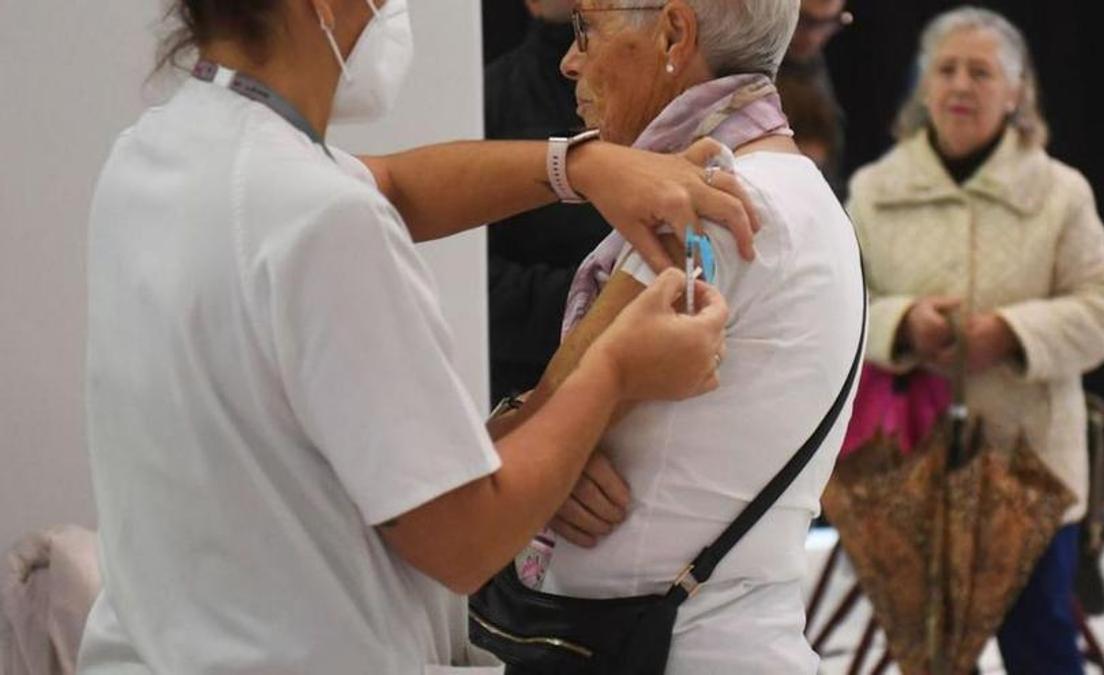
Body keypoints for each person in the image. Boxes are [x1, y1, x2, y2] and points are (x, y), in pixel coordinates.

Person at [76, 0, 761, 672]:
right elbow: (464, 539)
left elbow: (396, 184)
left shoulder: (155, 152)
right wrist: (613, 372)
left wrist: (578, 167)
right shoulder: (320, 223)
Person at [491, 1, 864, 672]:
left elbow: (517, 460)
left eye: (587, 29)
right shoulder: (797, 188)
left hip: (661, 646)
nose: (570, 59)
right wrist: (555, 450)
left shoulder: (709, 202)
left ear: (673, 32)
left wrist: (540, 441)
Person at [845, 7, 1104, 673]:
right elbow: (837, 309)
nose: (961, 85)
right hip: (904, 473)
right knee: (928, 656)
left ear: (1015, 91)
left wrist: (1011, 332)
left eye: (982, 71)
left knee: (1041, 647)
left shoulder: (1061, 193)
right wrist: (901, 322)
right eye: (946, 69)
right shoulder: (872, 192)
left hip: (1028, 475)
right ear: (923, 87)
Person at [485, 0, 612, 405]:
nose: (572, 63)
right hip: (533, 385)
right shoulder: (492, 99)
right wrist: (600, 298)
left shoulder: (660, 88)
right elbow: (470, 278)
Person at [776, 0, 853, 193]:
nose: (814, 36)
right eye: (803, 19)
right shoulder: (738, 63)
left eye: (830, 22)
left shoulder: (813, 64)